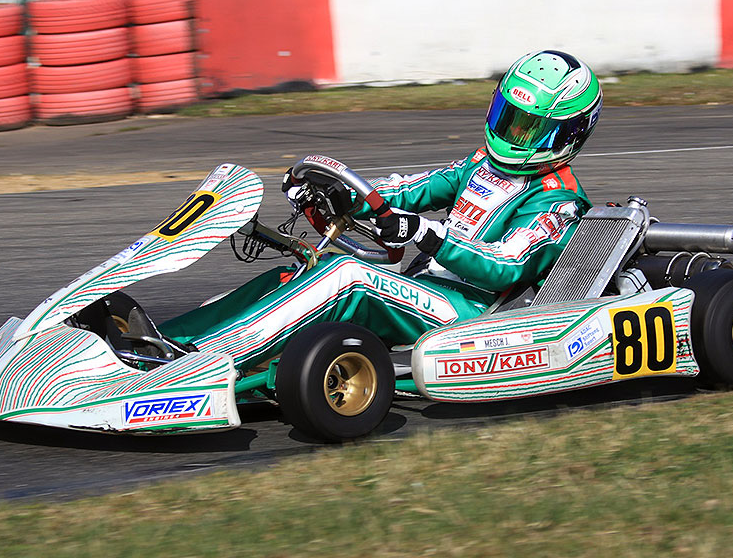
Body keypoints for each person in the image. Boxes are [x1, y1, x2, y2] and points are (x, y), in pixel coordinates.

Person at [158, 50, 603, 371]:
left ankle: (197, 364)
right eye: (509, 118)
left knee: (347, 279)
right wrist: (345, 193)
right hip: (422, 292)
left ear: (568, 134)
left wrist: (426, 234)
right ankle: (166, 340)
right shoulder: (479, 164)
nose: (513, 134)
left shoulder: (557, 199)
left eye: (529, 128)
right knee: (305, 272)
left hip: (468, 316)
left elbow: (507, 266)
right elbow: (413, 189)